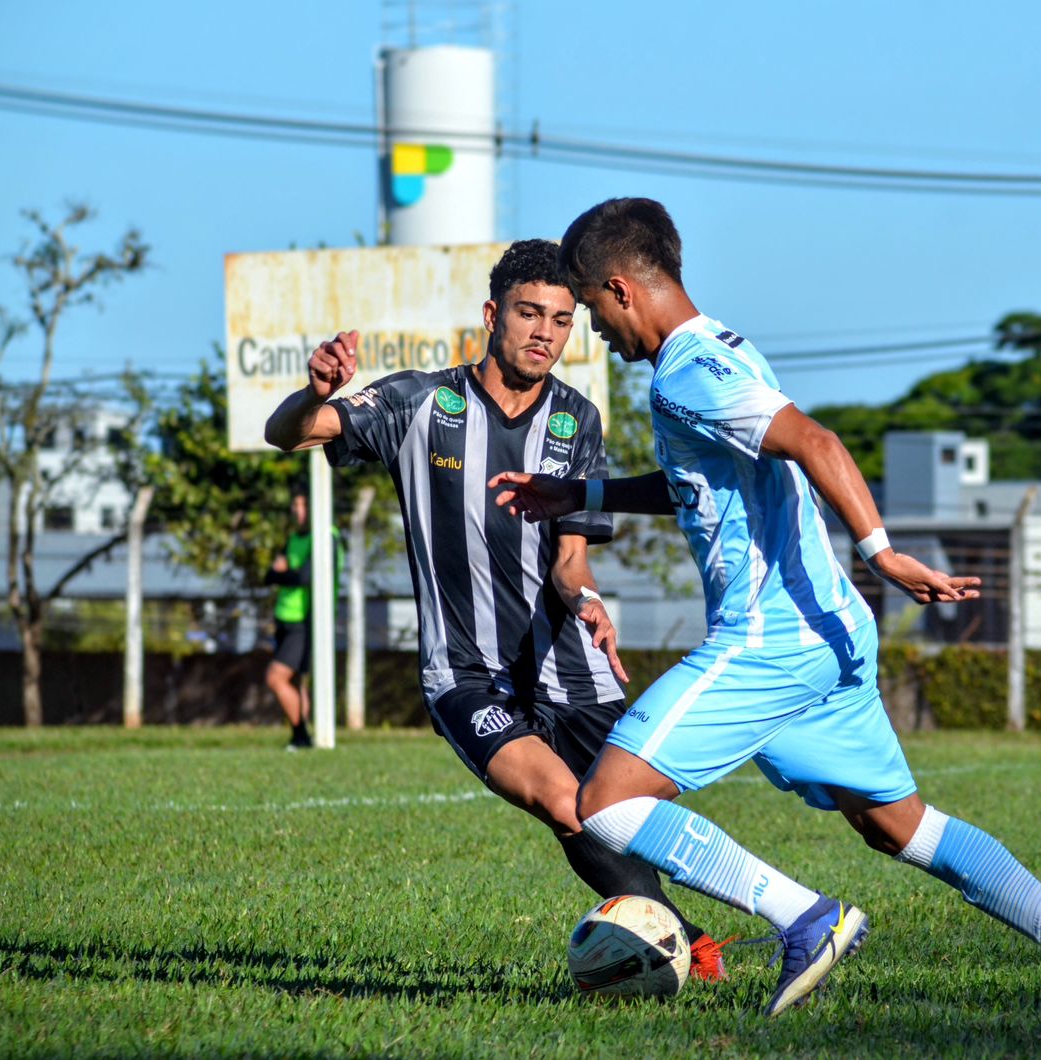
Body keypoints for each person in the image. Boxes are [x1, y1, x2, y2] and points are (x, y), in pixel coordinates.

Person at [489, 199, 1041, 1016]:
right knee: (902, 828)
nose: (594, 332)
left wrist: (882, 551)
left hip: (772, 639)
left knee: (607, 805)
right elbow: (704, 486)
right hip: (830, 635)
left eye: (590, 309)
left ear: (621, 289)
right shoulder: (726, 350)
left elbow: (817, 443)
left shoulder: (687, 373)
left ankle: (806, 920)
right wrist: (582, 491)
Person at [263, 238, 730, 981]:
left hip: (568, 663)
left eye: (563, 319)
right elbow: (288, 433)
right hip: (467, 671)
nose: (545, 331)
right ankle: (691, 945)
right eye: (529, 313)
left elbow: (571, 559)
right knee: (566, 804)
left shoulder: (577, 420)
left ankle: (697, 926)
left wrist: (593, 601)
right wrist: (315, 393)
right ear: (493, 314)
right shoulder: (419, 403)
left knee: (621, 814)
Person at [263, 489, 342, 750]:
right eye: (294, 504)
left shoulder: (326, 536)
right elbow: (269, 575)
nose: (297, 510)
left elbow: (304, 578)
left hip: (306, 621)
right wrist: (282, 573)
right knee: (297, 681)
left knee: (276, 678)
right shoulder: (294, 538)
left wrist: (284, 573)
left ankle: (300, 735)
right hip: (285, 617)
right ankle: (302, 737)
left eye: (303, 504)